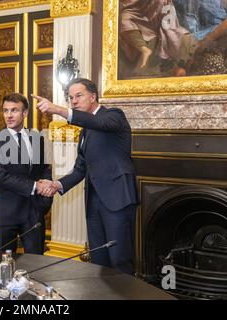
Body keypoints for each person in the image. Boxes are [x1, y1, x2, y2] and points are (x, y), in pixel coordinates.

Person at [32, 78, 139, 275]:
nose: (73, 101)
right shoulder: (86, 130)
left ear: (93, 96)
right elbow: (81, 169)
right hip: (94, 202)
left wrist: (59, 110)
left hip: (117, 200)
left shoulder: (114, 115)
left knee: (119, 259)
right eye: (70, 97)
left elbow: (100, 123)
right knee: (99, 260)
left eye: (78, 96)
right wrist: (56, 184)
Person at [0, 93, 53, 254]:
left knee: (36, 264)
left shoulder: (36, 137)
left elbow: (44, 168)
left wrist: (47, 191)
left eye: (14, 110)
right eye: (5, 110)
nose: (8, 115)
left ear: (25, 113)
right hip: (5, 212)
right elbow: (0, 176)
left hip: (33, 211)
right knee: (4, 267)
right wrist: (36, 186)